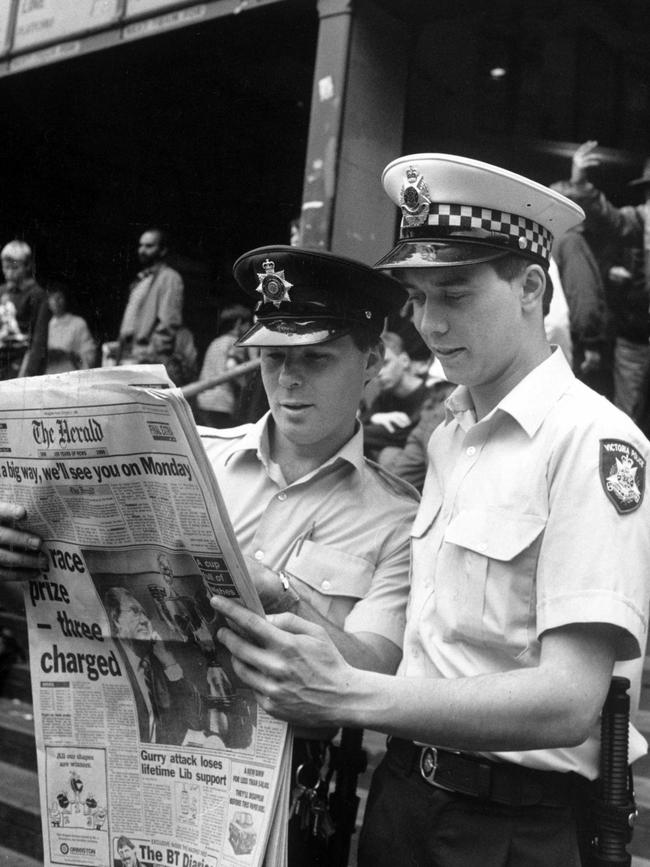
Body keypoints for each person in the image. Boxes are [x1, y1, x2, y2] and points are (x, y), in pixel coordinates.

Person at [209, 155, 650, 867]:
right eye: (416, 297)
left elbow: (569, 697)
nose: (430, 323)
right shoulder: (449, 437)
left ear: (531, 287)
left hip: (514, 821)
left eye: (454, 292)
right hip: (405, 797)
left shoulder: (593, 442)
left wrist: (351, 693)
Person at [0, 245, 418, 866]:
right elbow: (76, 606)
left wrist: (280, 593)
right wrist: (18, 555)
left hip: (283, 790)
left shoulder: (398, 517)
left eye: (316, 359)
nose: (289, 380)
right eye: (274, 358)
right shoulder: (198, 458)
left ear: (372, 361)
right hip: (139, 758)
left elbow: (375, 673)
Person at [567, 141, 650, 425]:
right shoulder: (638, 220)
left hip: (635, 337)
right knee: (629, 414)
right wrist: (580, 180)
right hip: (636, 337)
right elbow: (605, 216)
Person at [103, 586, 206, 745]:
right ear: (116, 619)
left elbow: (194, 717)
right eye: (135, 612)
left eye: (144, 613)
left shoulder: (158, 664)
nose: (144, 620)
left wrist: (169, 662)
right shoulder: (108, 662)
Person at [105, 228, 184, 367]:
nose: (142, 250)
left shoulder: (169, 278)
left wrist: (149, 355)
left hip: (145, 359)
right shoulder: (141, 280)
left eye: (149, 246)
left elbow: (168, 322)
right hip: (128, 355)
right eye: (140, 245)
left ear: (163, 250)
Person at [360, 330, 428, 461]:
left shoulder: (431, 395)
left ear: (404, 360)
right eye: (372, 368)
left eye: (385, 364)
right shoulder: (385, 397)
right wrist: (375, 417)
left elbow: (402, 436)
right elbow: (360, 424)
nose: (378, 374)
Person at [196, 303, 253, 426]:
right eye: (248, 323)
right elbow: (231, 366)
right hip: (221, 402)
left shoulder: (216, 342)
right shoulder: (235, 342)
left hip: (204, 399)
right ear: (238, 323)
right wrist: (245, 385)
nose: (249, 327)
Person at [0, 240, 50, 380]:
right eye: (5, 267)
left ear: (27, 266)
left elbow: (39, 339)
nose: (9, 272)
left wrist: (29, 373)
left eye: (14, 268)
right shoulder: (2, 292)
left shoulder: (37, 295)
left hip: (21, 361)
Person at [45, 281, 97, 373]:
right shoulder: (44, 326)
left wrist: (71, 356)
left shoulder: (78, 323)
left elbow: (89, 354)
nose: (56, 301)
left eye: (59, 297)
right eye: (53, 298)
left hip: (71, 374)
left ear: (65, 299)